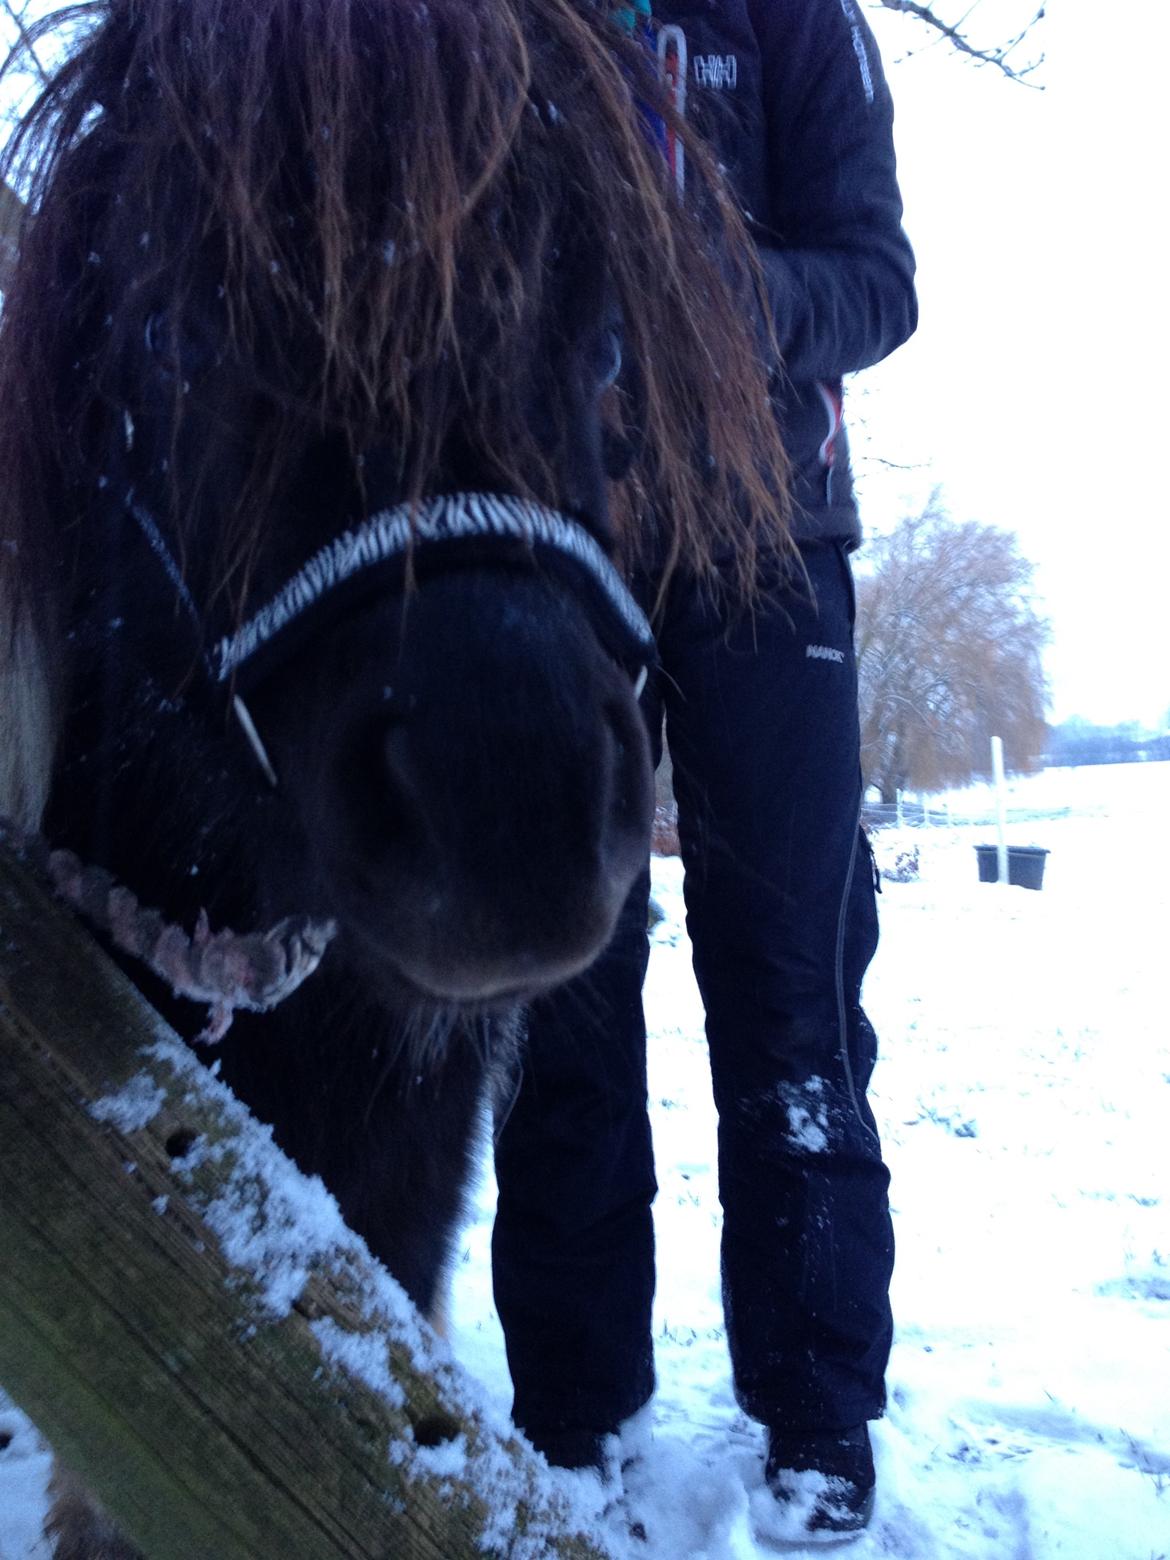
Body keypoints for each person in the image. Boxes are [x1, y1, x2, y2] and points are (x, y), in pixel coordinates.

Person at [492, 0, 917, 1536]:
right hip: (554, 546)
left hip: (770, 549)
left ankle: (815, 1413)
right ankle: (572, 1408)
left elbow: (876, 286)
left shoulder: (802, 23)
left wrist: (702, 301)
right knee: (559, 991)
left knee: (790, 996)